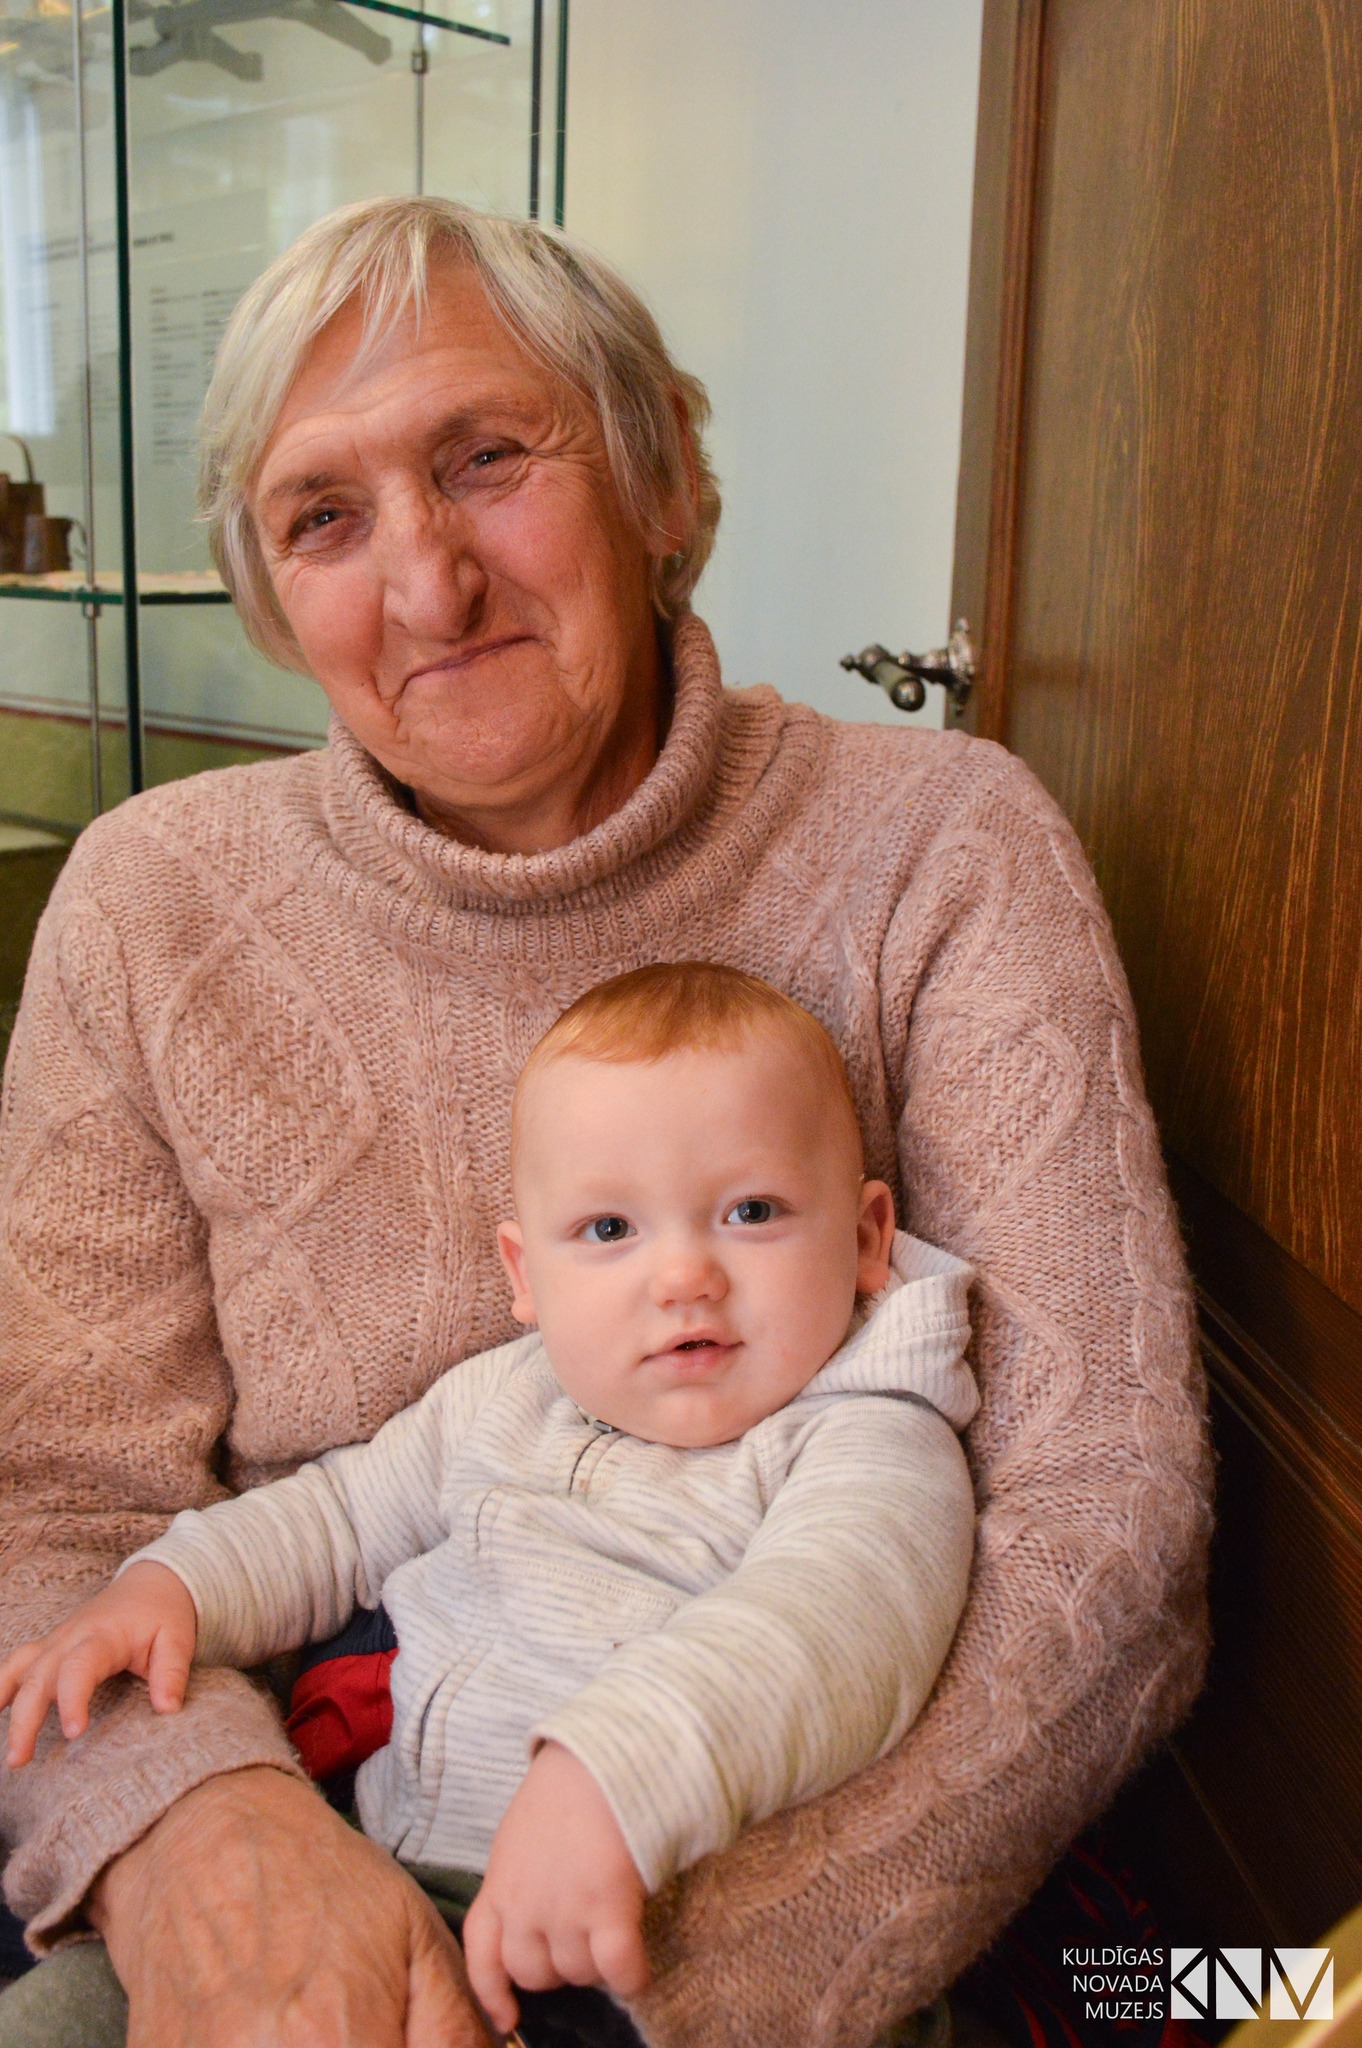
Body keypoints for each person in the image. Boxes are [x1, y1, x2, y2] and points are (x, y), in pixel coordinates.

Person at [0, 194, 1211, 2048]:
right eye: (323, 516)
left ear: (663, 481)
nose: (425, 586)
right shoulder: (148, 899)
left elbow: (1097, 1529)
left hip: (793, 1790)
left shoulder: (945, 845)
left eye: (486, 459)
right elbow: (61, 1504)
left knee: (1202, 1999)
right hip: (317, 1752)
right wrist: (200, 1846)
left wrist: (651, 1988)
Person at [1, 962, 979, 2040]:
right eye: (609, 1230)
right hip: (370, 1888)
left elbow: (830, 1621)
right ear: (524, 1272)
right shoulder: (507, 1398)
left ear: (865, 1237)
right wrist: (176, 1586)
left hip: (640, 1953)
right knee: (59, 2018)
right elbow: (339, 1519)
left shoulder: (867, 1435)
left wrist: (621, 1773)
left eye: (751, 1211)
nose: (684, 1276)